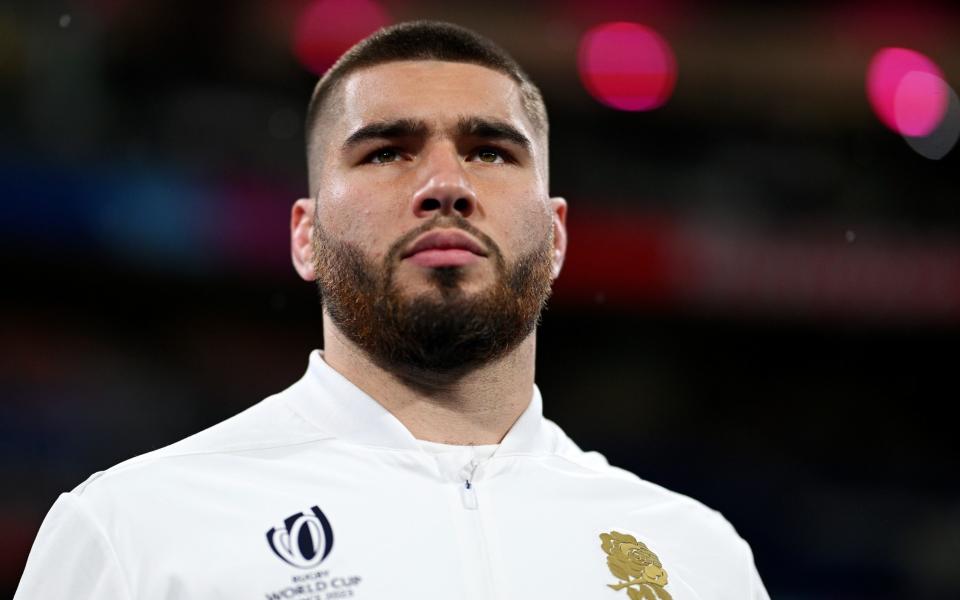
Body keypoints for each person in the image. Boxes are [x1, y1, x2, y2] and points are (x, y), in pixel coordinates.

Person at [15, 21, 768, 599]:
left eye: (490, 152)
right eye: (386, 151)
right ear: (305, 236)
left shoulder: (698, 556)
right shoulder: (134, 530)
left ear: (558, 234)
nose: (445, 184)